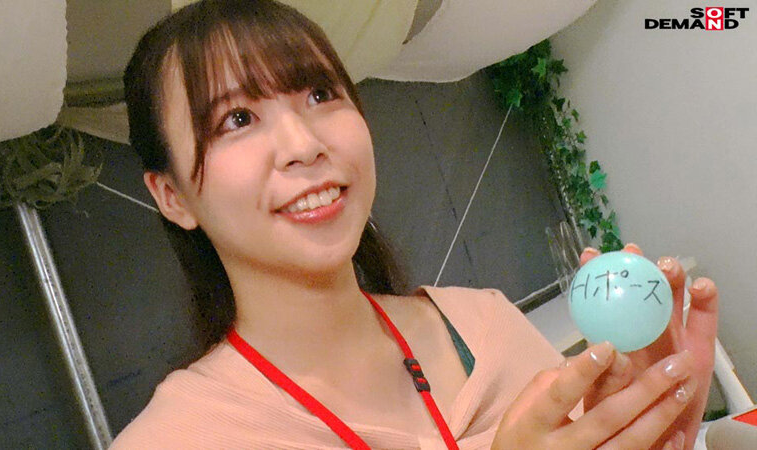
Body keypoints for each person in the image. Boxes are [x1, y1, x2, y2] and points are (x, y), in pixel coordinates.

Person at [112, 0, 719, 448]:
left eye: (320, 94)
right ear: (172, 196)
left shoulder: (487, 327)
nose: (303, 144)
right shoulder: (176, 439)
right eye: (238, 119)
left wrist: (656, 430)